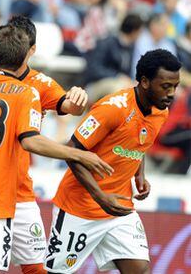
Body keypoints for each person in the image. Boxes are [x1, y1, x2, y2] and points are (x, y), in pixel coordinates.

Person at [0, 24, 113, 273]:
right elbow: (30, 139)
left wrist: (77, 98)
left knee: (26, 265)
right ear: (27, 53)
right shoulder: (26, 92)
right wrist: (78, 153)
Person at [44, 49, 181, 274]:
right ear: (145, 82)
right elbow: (72, 150)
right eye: (165, 86)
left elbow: (139, 140)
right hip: (81, 207)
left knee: (140, 271)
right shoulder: (112, 109)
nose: (171, 93)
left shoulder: (160, 111)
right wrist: (100, 196)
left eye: (174, 86)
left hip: (119, 207)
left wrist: (139, 173)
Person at [7, 15, 89, 274]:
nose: (17, 49)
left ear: (32, 50)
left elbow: (69, 105)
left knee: (36, 267)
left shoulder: (40, 83)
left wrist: (78, 100)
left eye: (23, 44)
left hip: (20, 191)